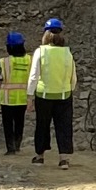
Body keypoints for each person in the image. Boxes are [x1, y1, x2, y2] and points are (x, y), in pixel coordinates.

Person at [30, 17, 76, 167]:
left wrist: (30, 94)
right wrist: (69, 90)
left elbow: (34, 75)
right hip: (64, 95)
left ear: (46, 33)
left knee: (42, 125)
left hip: (44, 96)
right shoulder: (67, 53)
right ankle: (64, 159)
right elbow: (73, 76)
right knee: (63, 126)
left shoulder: (40, 51)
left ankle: (40, 156)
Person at [0, 28, 31, 156]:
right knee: (20, 122)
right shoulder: (29, 60)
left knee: (8, 123)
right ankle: (17, 144)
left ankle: (10, 148)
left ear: (9, 47)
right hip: (23, 97)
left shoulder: (4, 62)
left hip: (7, 98)